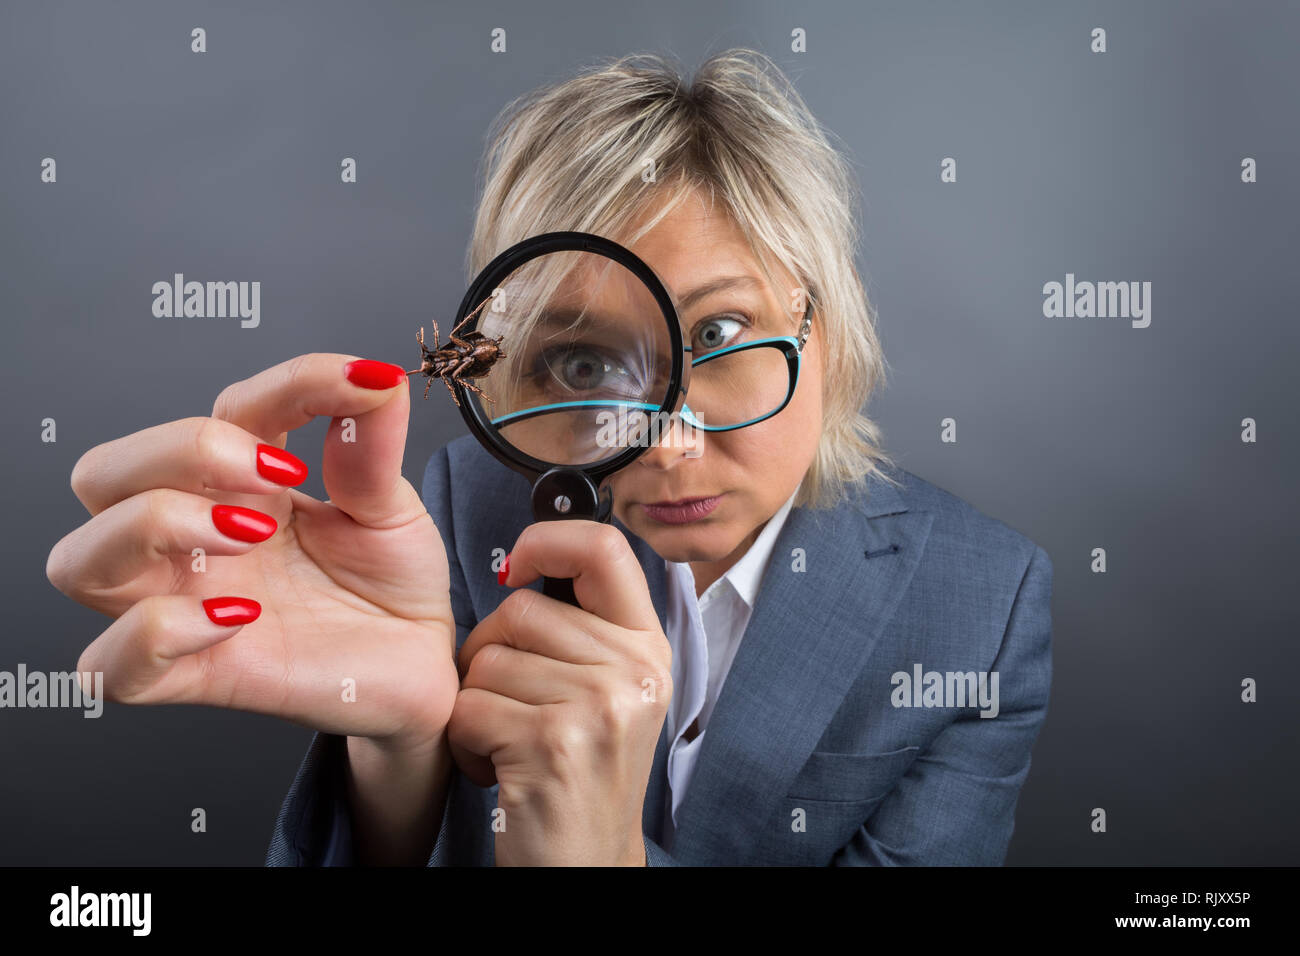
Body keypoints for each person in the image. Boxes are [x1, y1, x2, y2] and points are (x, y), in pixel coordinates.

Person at [46, 49, 1052, 866]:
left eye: (717, 335)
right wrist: (395, 758)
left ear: (828, 333)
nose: (660, 435)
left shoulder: (980, 601)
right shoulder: (456, 510)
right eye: (581, 356)